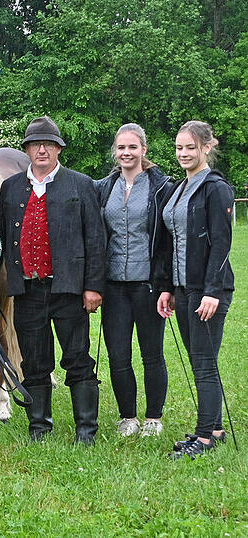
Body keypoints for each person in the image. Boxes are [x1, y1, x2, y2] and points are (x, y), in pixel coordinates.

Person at [0, 116, 106, 444]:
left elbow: (96, 240)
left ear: (59, 149)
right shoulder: (12, 188)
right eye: (36, 145)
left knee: (77, 360)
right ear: (28, 150)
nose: (42, 150)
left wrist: (93, 287)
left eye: (48, 144)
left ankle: (86, 431)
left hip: (68, 289)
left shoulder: (80, 185)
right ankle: (39, 428)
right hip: (28, 290)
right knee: (34, 362)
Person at [155, 120, 233, 460]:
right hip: (183, 288)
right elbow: (171, 242)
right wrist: (168, 288)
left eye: (190, 147)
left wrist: (212, 291)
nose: (184, 153)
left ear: (207, 147)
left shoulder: (215, 188)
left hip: (208, 291)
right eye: (179, 147)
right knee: (200, 359)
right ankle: (215, 429)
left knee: (204, 362)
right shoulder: (178, 188)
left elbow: (221, 243)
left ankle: (203, 439)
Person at [95, 123, 173, 437]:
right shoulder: (104, 187)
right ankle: (128, 417)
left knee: (152, 354)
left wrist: (166, 285)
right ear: (115, 151)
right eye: (121, 148)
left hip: (148, 285)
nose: (126, 153)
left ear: (143, 150)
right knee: (118, 355)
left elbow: (167, 241)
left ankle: (153, 418)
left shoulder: (161, 188)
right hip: (113, 285)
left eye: (132, 147)